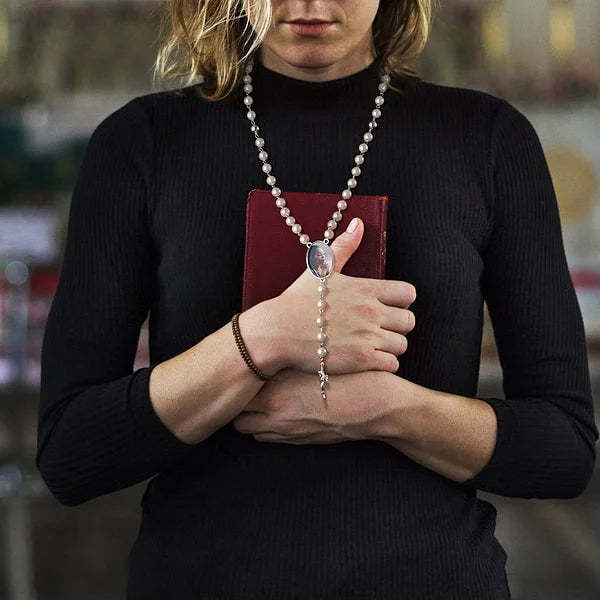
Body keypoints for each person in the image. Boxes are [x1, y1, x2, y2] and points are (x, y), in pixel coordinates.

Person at [36, 1, 598, 598]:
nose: (309, 4)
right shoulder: (143, 142)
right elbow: (72, 453)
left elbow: (563, 449)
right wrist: (264, 340)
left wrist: (384, 409)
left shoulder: (485, 138)